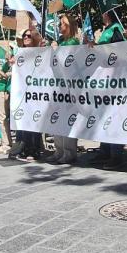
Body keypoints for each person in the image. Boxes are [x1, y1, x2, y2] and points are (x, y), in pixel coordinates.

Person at [93, 9, 127, 169]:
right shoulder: (107, 29)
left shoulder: (116, 28)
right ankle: (105, 150)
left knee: (113, 116)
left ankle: (116, 155)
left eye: (103, 12)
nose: (101, 14)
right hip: (104, 78)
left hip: (114, 77)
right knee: (104, 115)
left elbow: (118, 48)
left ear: (108, 14)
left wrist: (99, 47)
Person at [47, 14, 80, 164]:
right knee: (57, 117)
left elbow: (68, 61)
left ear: (69, 26)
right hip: (58, 85)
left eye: (62, 24)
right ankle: (58, 150)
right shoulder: (59, 41)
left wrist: (57, 50)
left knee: (68, 118)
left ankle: (69, 152)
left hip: (70, 86)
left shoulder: (74, 42)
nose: (59, 26)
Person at [13, 28, 44, 160]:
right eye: (24, 36)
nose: (25, 37)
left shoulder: (40, 52)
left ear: (34, 39)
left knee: (34, 121)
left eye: (29, 36)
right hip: (22, 93)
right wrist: (12, 64)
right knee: (24, 121)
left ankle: (35, 149)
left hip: (35, 92)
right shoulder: (20, 53)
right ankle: (25, 148)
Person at [0, 43, 13, 154]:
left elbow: (6, 75)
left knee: (3, 118)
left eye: (11, 49)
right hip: (2, 89)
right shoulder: (6, 62)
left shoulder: (13, 61)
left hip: (6, 91)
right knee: (2, 118)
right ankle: (6, 142)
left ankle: (7, 143)